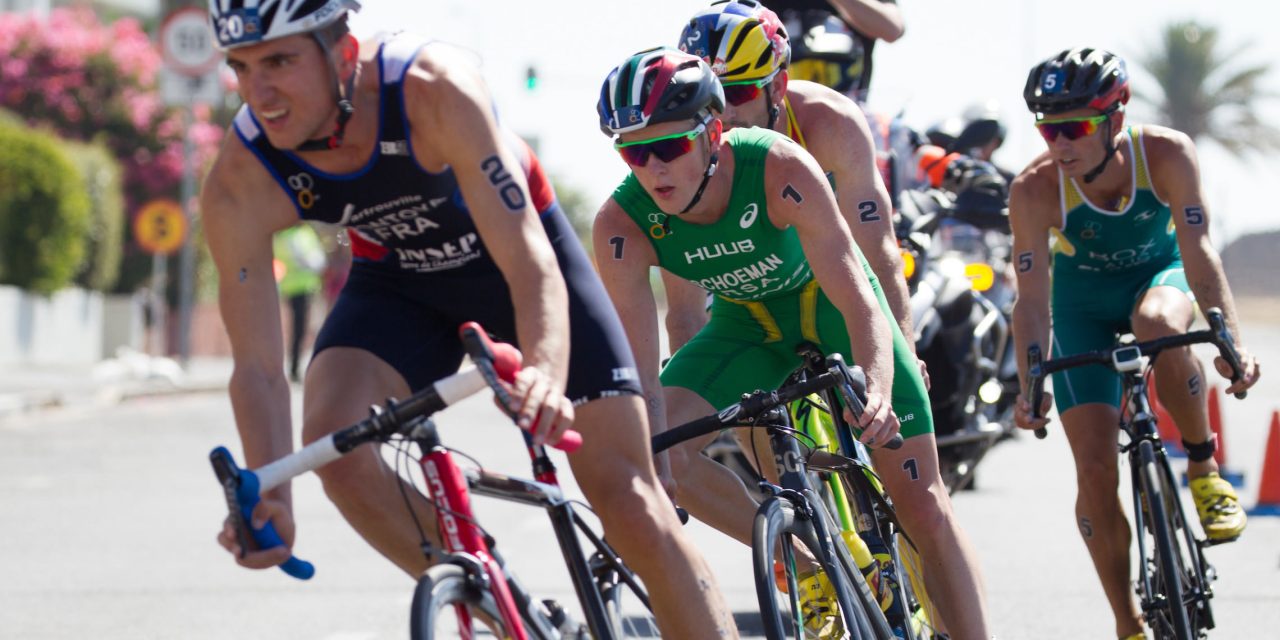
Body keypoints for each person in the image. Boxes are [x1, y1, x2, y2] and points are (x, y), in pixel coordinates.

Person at [200, 1, 736, 636]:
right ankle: (508, 610)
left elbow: (528, 258)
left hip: (517, 260)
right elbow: (259, 365)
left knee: (631, 503)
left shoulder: (432, 89)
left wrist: (543, 368)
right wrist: (271, 492)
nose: (261, 92)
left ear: (343, 53)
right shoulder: (242, 173)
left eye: (281, 61)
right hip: (398, 280)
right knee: (335, 447)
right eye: (242, 66)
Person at [593, 46, 989, 638]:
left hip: (832, 307)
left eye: (668, 147)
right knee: (659, 450)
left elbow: (858, 291)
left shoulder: (779, 165)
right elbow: (641, 373)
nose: (652, 169)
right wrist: (650, 457)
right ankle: (811, 568)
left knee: (923, 504)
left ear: (714, 130)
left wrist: (878, 385)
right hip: (748, 326)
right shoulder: (621, 225)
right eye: (633, 152)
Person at [1009, 47, 1262, 640]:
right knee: (1094, 470)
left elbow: (1199, 252)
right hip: (1081, 308)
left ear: (1115, 119)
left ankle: (1202, 470)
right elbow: (1031, 301)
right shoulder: (1034, 190)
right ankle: (1128, 624)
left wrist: (1231, 341)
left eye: (1073, 128)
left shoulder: (1167, 154)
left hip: (1160, 279)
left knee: (1157, 320)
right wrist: (1030, 384)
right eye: (1048, 129)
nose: (1058, 144)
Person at [272, 223, 326, 382]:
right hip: (305, 287)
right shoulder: (300, 235)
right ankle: (298, 367)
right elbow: (315, 260)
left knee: (298, 329)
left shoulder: (281, 236)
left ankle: (296, 366)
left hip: (290, 287)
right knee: (304, 329)